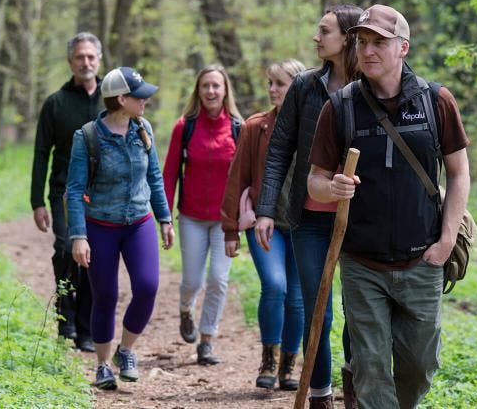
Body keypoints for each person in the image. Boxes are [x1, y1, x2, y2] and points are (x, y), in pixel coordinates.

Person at [306, 5, 470, 408]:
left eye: (379, 42)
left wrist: (446, 241)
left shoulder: (436, 101)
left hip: (423, 260)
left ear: (403, 48)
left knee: (419, 366)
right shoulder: (340, 106)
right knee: (372, 367)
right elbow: (314, 180)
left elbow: (459, 173)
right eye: (362, 42)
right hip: (363, 263)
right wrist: (334, 188)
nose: (368, 50)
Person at [254, 4, 362, 408]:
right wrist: (266, 208)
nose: (316, 38)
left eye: (325, 31)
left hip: (361, 220)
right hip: (309, 219)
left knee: (359, 312)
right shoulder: (304, 86)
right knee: (320, 311)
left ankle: (352, 387)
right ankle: (319, 396)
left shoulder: (372, 84)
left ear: (347, 37)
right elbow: (280, 148)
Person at [65, 66, 175, 390]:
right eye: (140, 97)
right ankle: (102, 365)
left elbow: (153, 177)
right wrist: (78, 236)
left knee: (147, 286)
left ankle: (126, 351)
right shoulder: (86, 137)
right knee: (106, 295)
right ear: (122, 99)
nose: (146, 102)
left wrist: (165, 218)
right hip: (100, 225)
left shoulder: (144, 129)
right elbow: (73, 189)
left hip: (139, 222)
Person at [220, 60, 306, 390]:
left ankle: (288, 365)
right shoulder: (256, 127)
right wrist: (230, 229)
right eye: (270, 83)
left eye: (280, 84)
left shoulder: (316, 126)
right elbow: (237, 177)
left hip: (302, 226)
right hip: (263, 223)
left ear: (297, 86)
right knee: (275, 286)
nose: (272, 89)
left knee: (297, 298)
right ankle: (268, 358)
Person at [162, 65, 243, 365]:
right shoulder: (185, 127)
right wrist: (165, 217)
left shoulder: (238, 126)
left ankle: (207, 339)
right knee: (193, 281)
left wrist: (242, 217)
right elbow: (169, 174)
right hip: (192, 218)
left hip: (225, 220)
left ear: (225, 91)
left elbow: (245, 177)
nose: (210, 91)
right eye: (205, 86)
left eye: (216, 86)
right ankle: (186, 309)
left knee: (219, 280)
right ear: (198, 90)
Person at [30, 32, 104, 352]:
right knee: (65, 248)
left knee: (92, 258)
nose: (85, 62)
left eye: (90, 57)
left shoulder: (112, 99)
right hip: (62, 191)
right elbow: (41, 153)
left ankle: (86, 328)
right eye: (79, 57)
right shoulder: (55, 103)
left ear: (98, 60)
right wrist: (36, 201)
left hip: (101, 194)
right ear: (70, 61)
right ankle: (66, 316)